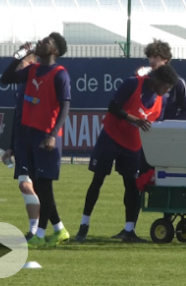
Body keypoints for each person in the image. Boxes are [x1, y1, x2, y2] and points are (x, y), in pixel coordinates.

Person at [74, 64, 178, 243]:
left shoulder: (162, 100)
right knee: (97, 180)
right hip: (111, 138)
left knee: (132, 186)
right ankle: (84, 225)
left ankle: (129, 231)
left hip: (133, 146)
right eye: (166, 87)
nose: (167, 91)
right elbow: (113, 107)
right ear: (158, 81)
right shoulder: (133, 84)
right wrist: (134, 120)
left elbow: (155, 126)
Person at [0, 32, 71, 248]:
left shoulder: (60, 74)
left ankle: (40, 234)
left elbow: (65, 106)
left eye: (46, 41)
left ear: (53, 50)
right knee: (39, 186)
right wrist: (19, 55)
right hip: (29, 135)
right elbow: (5, 79)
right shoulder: (32, 70)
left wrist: (52, 134)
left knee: (44, 185)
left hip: (45, 137)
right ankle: (59, 230)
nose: (40, 42)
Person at [129, 39, 186, 235]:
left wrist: (167, 125)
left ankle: (168, 221)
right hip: (149, 139)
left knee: (168, 179)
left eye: (156, 57)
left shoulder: (178, 83)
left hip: (169, 140)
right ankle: (130, 227)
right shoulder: (146, 82)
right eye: (150, 57)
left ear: (166, 59)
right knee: (139, 180)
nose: (152, 61)